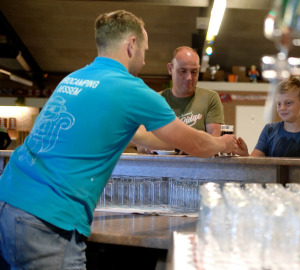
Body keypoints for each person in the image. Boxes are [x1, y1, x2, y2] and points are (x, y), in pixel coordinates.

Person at [0, 10, 236, 269]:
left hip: (8, 199)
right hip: (48, 219)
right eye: (145, 50)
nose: (144, 61)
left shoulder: (72, 78)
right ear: (132, 45)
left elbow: (146, 136)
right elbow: (198, 145)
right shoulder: (131, 89)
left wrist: (173, 140)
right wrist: (223, 143)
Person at [235, 76, 300, 158]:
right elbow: (255, 163)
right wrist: (245, 155)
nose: (282, 108)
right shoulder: (269, 130)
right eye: (279, 103)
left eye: (288, 103)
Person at [162, 46, 224, 136]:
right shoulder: (156, 100)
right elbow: (141, 143)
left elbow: (215, 141)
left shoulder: (210, 99)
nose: (189, 78)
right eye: (183, 71)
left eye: (194, 72)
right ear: (170, 69)